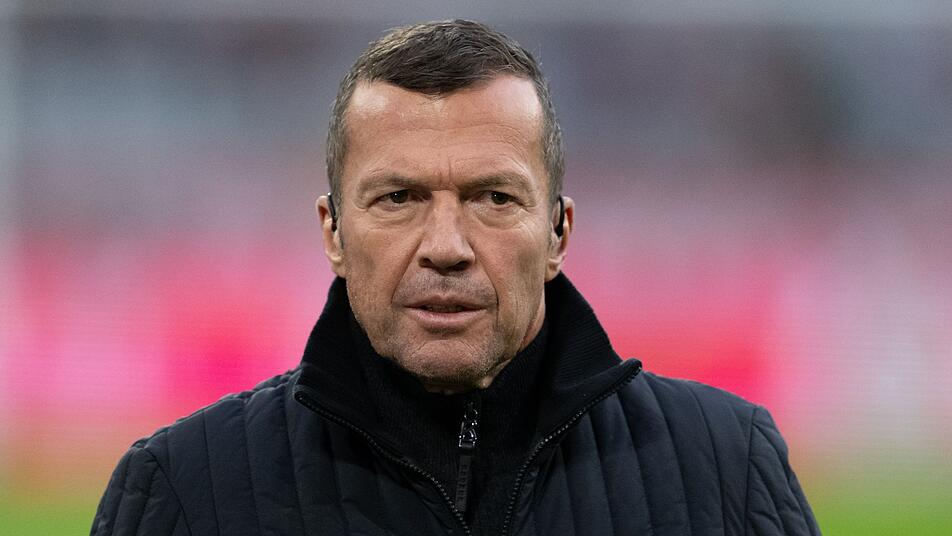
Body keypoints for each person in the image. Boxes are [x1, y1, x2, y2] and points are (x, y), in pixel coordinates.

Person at [91, 20, 820, 536]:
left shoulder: (727, 468)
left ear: (559, 232)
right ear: (333, 231)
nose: (446, 248)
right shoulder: (184, 490)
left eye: (493, 198)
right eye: (398, 198)